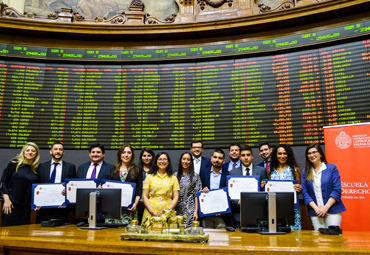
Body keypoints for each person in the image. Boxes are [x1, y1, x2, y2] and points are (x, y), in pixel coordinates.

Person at [302, 143, 346, 230]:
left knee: (333, 240)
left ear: (321, 154)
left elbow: (337, 190)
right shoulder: (305, 172)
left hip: (333, 210)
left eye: (314, 152)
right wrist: (317, 209)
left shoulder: (331, 168)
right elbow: (305, 193)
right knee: (319, 240)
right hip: (315, 212)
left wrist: (325, 208)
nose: (312, 155)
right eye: (309, 153)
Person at [1, 142, 40, 226]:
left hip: (26, 209)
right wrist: (6, 200)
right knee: (7, 234)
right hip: (11, 206)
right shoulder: (14, 164)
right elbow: (3, 182)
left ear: (36, 153)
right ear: (23, 152)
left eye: (33, 151)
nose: (30, 152)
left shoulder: (36, 169)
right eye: (28, 150)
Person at [36, 141, 76, 223]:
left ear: (63, 152)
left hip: (61, 208)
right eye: (56, 149)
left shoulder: (70, 167)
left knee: (60, 233)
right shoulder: (41, 166)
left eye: (60, 149)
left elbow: (73, 186)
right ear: (51, 151)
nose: (58, 151)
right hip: (43, 207)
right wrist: (36, 202)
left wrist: (68, 191)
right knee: (41, 233)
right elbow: (37, 184)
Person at [229, 145, 267, 229]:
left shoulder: (261, 171)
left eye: (248, 155)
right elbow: (230, 195)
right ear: (239, 157)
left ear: (252, 156)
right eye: (243, 155)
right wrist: (237, 202)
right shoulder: (233, 173)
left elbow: (266, 193)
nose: (246, 158)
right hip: (239, 214)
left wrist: (262, 187)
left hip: (257, 214)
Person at [106, 144, 143, 225]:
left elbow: (139, 189)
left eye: (129, 152)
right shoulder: (113, 170)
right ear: (120, 155)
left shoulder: (137, 170)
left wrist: (135, 204)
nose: (126, 155)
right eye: (123, 152)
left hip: (130, 209)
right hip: (114, 209)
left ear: (132, 155)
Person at [269, 144, 302, 230]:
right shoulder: (271, 171)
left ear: (289, 155)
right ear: (275, 155)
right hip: (275, 209)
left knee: (294, 236)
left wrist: (299, 188)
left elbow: (299, 191)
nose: (282, 156)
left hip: (292, 209)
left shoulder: (295, 170)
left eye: (285, 153)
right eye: (280, 153)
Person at [142, 152, 179, 226]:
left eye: (164, 159)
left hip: (168, 213)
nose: (162, 161)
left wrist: (167, 211)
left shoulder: (173, 178)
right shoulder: (149, 177)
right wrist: (152, 211)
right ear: (156, 162)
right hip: (151, 212)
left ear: (168, 162)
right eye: (160, 159)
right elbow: (144, 196)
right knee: (150, 234)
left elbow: (176, 197)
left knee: (168, 236)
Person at [199, 149, 229, 229]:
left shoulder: (228, 174)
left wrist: (222, 209)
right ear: (211, 158)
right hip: (206, 213)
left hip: (222, 214)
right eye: (215, 157)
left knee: (222, 238)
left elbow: (229, 194)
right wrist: (203, 191)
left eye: (220, 158)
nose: (217, 160)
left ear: (223, 160)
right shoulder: (203, 172)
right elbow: (199, 190)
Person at [175, 152, 202, 228]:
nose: (185, 161)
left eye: (188, 160)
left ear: (191, 162)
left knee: (189, 234)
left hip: (190, 211)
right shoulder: (175, 176)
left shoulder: (195, 176)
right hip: (177, 211)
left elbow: (197, 195)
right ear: (181, 161)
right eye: (184, 159)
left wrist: (196, 212)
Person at [137, 147, 155, 224]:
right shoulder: (137, 170)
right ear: (141, 157)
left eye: (149, 155)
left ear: (152, 157)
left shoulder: (156, 170)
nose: (146, 158)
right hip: (139, 203)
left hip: (152, 203)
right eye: (144, 156)